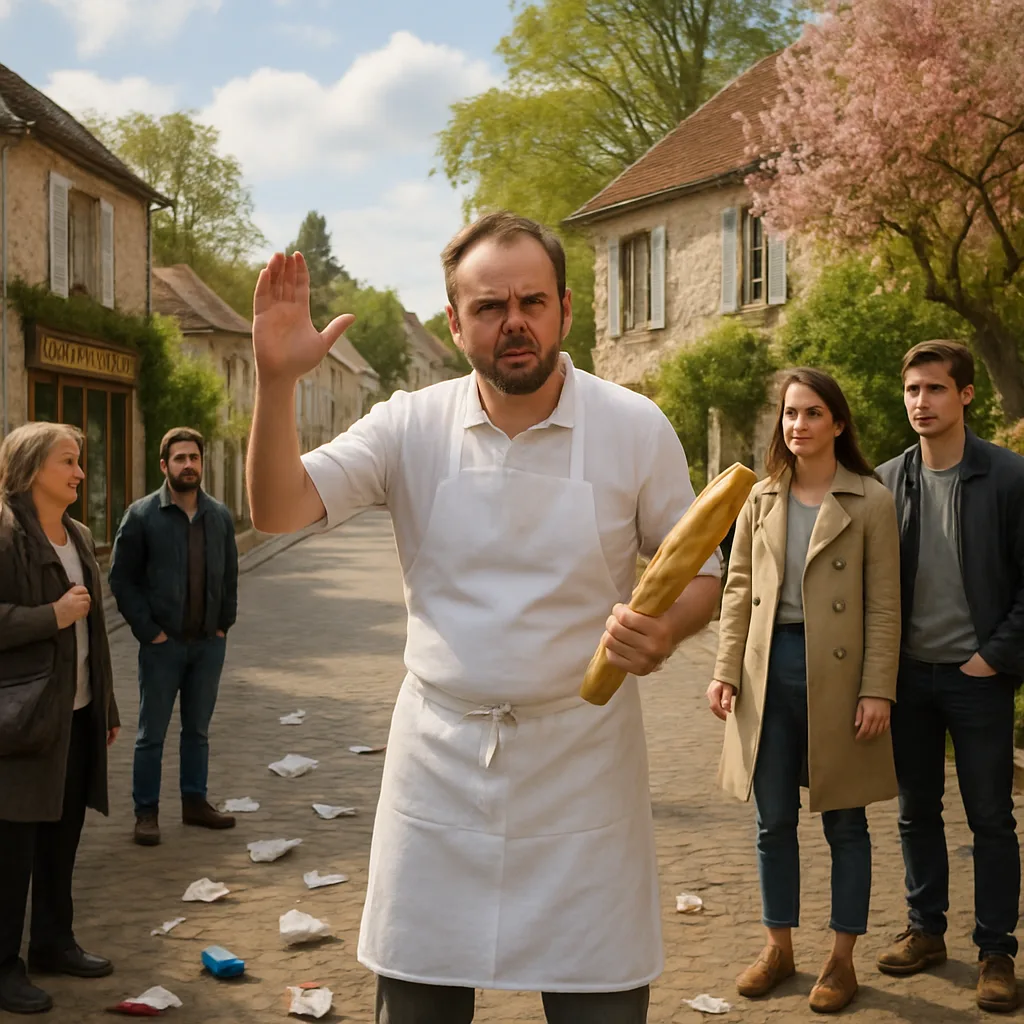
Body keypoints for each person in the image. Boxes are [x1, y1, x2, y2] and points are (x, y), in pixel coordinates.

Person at [245, 212, 722, 1023]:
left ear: (566, 310)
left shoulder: (634, 427)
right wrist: (278, 381)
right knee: (421, 1003)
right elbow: (277, 509)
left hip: (584, 768)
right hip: (440, 766)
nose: (516, 324)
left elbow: (702, 568)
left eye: (533, 302)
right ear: (453, 320)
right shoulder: (408, 425)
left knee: (600, 1006)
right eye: (491, 307)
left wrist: (667, 629)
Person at [707, 369, 901, 1014]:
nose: (798, 426)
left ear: (837, 424)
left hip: (839, 678)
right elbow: (738, 590)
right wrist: (724, 669)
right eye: (790, 414)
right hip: (768, 671)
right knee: (772, 823)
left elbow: (884, 608)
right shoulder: (760, 498)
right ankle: (778, 947)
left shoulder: (870, 499)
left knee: (846, 822)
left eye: (813, 413)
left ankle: (841, 960)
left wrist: (877, 689)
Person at [875, 341, 1024, 1014]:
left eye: (935, 389)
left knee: (991, 818)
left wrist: (993, 656)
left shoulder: (1010, 477)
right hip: (910, 678)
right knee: (915, 812)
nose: (920, 402)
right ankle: (926, 929)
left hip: (979, 677)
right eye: (912, 391)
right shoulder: (886, 482)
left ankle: (997, 952)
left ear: (964, 395)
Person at [0, 422, 120, 1015]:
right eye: (67, 462)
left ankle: (52, 941)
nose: (78, 473)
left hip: (76, 716)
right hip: (22, 726)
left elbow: (95, 632)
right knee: (11, 852)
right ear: (30, 467)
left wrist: (106, 706)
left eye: (79, 461)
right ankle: (2, 966)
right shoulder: (3, 534)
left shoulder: (78, 534)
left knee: (61, 841)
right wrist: (50, 615)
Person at [109, 427, 238, 847]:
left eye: (194, 458)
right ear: (164, 466)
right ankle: (146, 813)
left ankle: (195, 803)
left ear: (202, 463)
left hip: (207, 646)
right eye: (179, 458)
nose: (188, 465)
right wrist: (150, 632)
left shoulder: (218, 516)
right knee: (151, 734)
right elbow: (121, 580)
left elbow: (231, 574)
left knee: (197, 730)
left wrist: (223, 625)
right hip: (162, 647)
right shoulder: (143, 516)